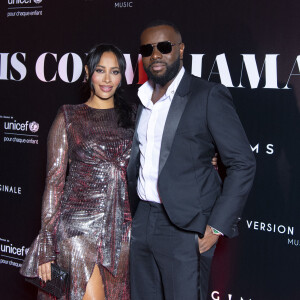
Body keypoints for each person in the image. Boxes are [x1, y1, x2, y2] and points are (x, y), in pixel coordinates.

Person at [127, 20, 256, 300]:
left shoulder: (207, 95)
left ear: (181, 49)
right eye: (148, 49)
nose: (155, 55)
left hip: (185, 227)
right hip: (142, 220)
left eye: (164, 47)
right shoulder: (141, 99)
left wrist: (217, 227)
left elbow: (243, 162)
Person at [20, 44, 135, 300]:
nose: (107, 79)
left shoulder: (134, 117)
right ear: (88, 72)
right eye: (100, 70)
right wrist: (47, 246)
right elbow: (53, 183)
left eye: (114, 72)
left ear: (122, 75)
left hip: (122, 232)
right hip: (78, 231)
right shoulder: (69, 116)